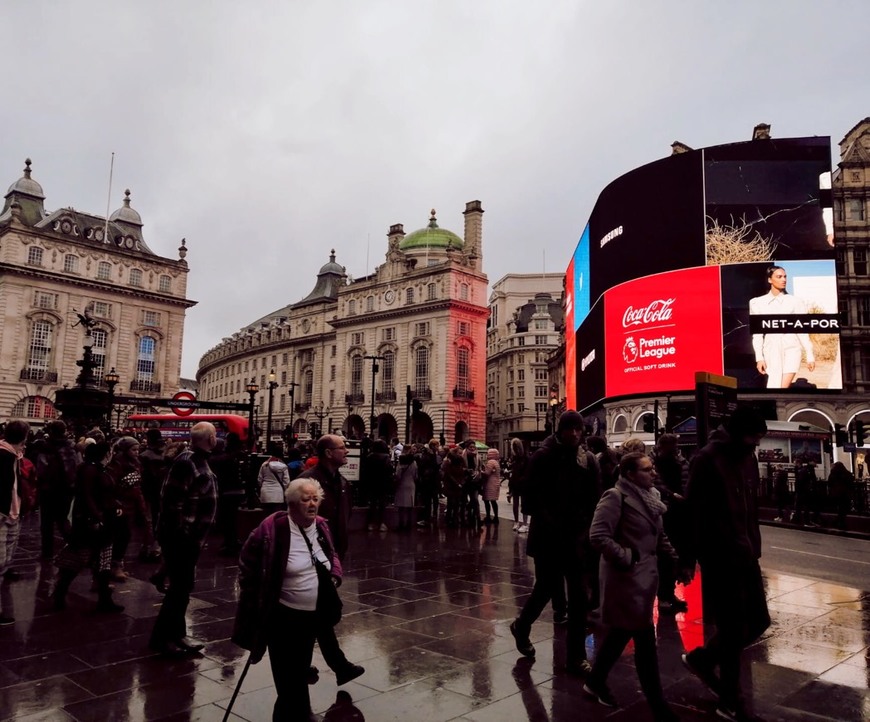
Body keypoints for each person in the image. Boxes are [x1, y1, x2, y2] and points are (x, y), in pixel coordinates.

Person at [683, 407, 770, 722]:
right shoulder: (707, 460)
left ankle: (704, 659)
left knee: (759, 620)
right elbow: (692, 513)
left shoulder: (748, 458)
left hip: (747, 553)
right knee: (733, 629)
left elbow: (750, 505)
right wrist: (688, 559)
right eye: (752, 437)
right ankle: (729, 700)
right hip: (720, 556)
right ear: (736, 432)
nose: (756, 444)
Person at [232, 478, 344, 722]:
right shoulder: (274, 528)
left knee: (300, 664)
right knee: (286, 673)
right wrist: (256, 592)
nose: (312, 504)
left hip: (312, 613)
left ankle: (298, 710)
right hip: (283, 613)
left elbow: (332, 555)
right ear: (292, 503)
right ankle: (291, 713)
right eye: (306, 500)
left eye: (315, 499)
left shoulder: (322, 526)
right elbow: (247, 562)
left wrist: (335, 575)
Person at [583, 452, 684, 720]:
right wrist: (627, 557)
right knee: (644, 640)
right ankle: (657, 703)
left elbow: (657, 535)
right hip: (625, 579)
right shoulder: (615, 497)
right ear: (629, 473)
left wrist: (675, 560)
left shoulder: (651, 498)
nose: (653, 473)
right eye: (647, 469)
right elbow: (598, 535)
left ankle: (594, 682)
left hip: (643, 579)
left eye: (652, 468)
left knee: (619, 634)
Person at [509, 411, 601, 675]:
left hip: (577, 539)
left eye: (578, 429)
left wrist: (587, 532)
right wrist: (551, 522)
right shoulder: (543, 457)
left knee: (578, 597)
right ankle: (522, 626)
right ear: (559, 430)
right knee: (546, 589)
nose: (574, 433)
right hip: (550, 537)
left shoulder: (588, 460)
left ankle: (576, 657)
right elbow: (531, 498)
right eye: (569, 428)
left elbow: (595, 499)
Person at [297, 435, 364, 686]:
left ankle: (305, 664)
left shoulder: (343, 482)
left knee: (316, 611)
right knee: (319, 612)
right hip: (309, 555)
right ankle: (339, 665)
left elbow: (346, 513)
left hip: (331, 553)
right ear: (327, 453)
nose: (347, 450)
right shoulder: (307, 481)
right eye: (342, 447)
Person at [149, 422, 219, 657]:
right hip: (182, 538)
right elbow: (171, 502)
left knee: (183, 587)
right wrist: (181, 535)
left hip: (190, 538)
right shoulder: (187, 462)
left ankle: (178, 635)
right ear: (210, 439)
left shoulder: (198, 460)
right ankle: (163, 639)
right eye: (215, 436)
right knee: (179, 588)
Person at [52, 441, 125, 613]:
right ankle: (62, 594)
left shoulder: (95, 468)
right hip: (91, 523)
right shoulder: (90, 470)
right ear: (105, 453)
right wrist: (96, 517)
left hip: (99, 520)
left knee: (101, 561)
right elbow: (87, 495)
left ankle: (103, 598)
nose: (112, 455)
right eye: (110, 452)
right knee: (81, 559)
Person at [749, 265, 815, 388]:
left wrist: (810, 355)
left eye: (785, 277)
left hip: (792, 348)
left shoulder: (796, 302)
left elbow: (802, 331)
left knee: (783, 388)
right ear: (770, 280)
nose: (783, 280)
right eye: (779, 277)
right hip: (771, 350)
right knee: (773, 386)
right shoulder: (757, 303)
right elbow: (757, 334)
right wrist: (759, 358)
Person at [651, 433, 691, 613]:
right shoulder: (652, 463)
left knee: (677, 554)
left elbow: (686, 480)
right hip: (664, 510)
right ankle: (664, 596)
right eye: (671, 447)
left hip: (679, 512)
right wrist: (670, 494)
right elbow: (655, 483)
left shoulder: (681, 462)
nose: (675, 450)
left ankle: (669, 593)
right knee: (665, 556)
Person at [0, 420, 30, 625]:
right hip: (3, 515)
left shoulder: (13, 456)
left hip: (12, 514)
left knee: (4, 564)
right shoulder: (3, 456)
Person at [36, 420, 79, 559]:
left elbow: (41, 469)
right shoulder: (70, 447)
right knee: (63, 520)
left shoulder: (46, 447)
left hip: (48, 489)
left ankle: (47, 552)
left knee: (47, 523)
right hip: (66, 489)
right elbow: (75, 467)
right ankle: (75, 547)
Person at [365, 440, 393, 531]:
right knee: (382, 504)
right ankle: (381, 524)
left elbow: (366, 471)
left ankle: (371, 523)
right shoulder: (386, 457)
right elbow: (389, 471)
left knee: (372, 503)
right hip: (383, 483)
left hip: (372, 482)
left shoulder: (369, 457)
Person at [257, 441, 291, 515]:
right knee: (276, 516)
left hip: (265, 493)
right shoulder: (284, 466)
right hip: (278, 494)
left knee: (266, 517)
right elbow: (286, 482)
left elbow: (259, 479)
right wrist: (286, 492)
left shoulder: (265, 464)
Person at [416, 439, 442, 527]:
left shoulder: (431, 455)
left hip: (431, 480)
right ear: (433, 446)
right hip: (430, 480)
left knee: (431, 499)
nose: (438, 447)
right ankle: (428, 517)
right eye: (437, 446)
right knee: (429, 500)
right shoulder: (429, 455)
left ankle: (430, 517)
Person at [508, 438, 530, 533]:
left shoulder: (525, 459)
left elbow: (526, 473)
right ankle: (518, 522)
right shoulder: (517, 459)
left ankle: (524, 523)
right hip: (517, 484)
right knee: (517, 504)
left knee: (523, 504)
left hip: (522, 484)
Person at [393, 449, 418, 531]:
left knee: (401, 507)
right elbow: (416, 476)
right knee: (409, 506)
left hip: (402, 485)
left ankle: (401, 524)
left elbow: (398, 475)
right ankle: (409, 524)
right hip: (411, 485)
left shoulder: (401, 463)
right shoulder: (414, 463)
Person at [827, 461, 854, 531]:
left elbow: (829, 483)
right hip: (845, 494)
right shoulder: (847, 474)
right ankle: (841, 522)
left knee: (840, 508)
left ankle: (838, 522)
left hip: (836, 494)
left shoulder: (833, 474)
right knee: (843, 509)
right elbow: (851, 484)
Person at [480, 448, 501, 525]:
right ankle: (496, 517)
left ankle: (488, 516)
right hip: (495, 483)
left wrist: (480, 471)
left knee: (487, 501)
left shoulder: (490, 462)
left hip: (489, 483)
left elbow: (487, 473)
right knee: (493, 501)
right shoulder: (496, 462)